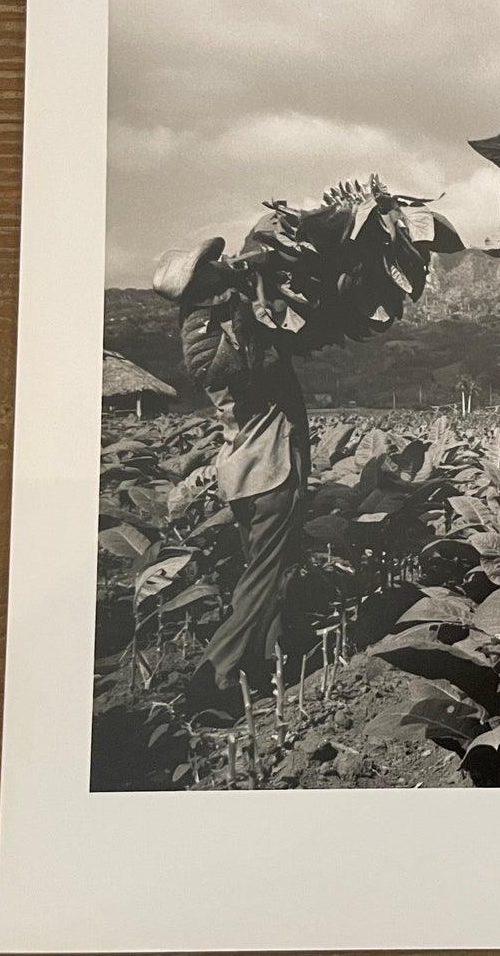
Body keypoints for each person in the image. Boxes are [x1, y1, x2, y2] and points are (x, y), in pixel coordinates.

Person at [153, 238, 313, 712]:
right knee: (261, 580)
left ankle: (265, 666)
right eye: (211, 266)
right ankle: (212, 679)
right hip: (268, 470)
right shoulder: (207, 339)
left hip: (249, 474)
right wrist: (256, 293)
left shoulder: (218, 319)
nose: (222, 267)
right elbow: (252, 362)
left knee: (275, 571)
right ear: (199, 281)